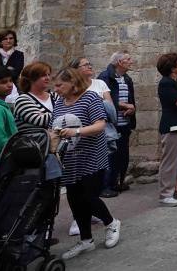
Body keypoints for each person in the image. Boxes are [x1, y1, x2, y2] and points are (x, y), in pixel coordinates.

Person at [53, 67, 121, 260]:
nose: (55, 89)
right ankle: (86, 240)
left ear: (73, 83)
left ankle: (111, 223)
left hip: (91, 157)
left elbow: (100, 125)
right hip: (70, 160)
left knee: (89, 196)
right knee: (74, 200)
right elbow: (54, 124)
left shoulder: (90, 98)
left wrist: (76, 132)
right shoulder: (59, 101)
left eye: (59, 85)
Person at [98, 51, 136, 194]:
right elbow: (104, 99)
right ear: (120, 62)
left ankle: (117, 183)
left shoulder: (127, 78)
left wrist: (131, 110)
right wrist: (125, 106)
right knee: (111, 156)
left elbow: (130, 99)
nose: (131, 61)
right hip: (111, 125)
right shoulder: (104, 77)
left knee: (122, 155)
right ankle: (106, 186)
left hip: (124, 123)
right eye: (128, 59)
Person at [156, 52, 177, 207]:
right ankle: (165, 194)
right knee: (170, 161)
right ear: (171, 67)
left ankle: (176, 189)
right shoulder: (166, 83)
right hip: (172, 127)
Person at [12, 61, 55, 131]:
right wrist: (63, 111)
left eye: (48, 75)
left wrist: (46, 114)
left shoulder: (55, 96)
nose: (47, 78)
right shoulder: (23, 100)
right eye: (43, 75)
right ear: (31, 78)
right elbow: (39, 121)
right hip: (32, 140)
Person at [0, 66, 17, 170]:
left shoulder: (1, 106)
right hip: (0, 164)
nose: (10, 85)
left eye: (11, 81)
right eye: (3, 82)